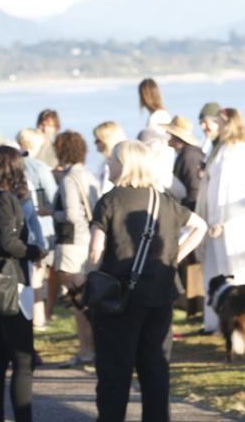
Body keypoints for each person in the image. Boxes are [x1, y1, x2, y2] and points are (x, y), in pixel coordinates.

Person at [72, 140, 207, 422]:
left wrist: (90, 275)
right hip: (160, 295)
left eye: (112, 160)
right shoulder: (165, 200)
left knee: (114, 372)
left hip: (118, 298)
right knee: (155, 369)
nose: (108, 164)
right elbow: (200, 226)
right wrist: (175, 257)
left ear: (124, 165)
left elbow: (96, 250)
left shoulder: (110, 201)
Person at [0, 146, 45, 422]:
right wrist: (33, 251)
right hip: (10, 283)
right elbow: (8, 242)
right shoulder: (6, 199)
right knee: (22, 361)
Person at [198, 107, 245, 333]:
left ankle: (243, 321)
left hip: (233, 219)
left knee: (236, 270)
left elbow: (231, 189)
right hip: (219, 217)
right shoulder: (222, 148)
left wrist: (221, 219)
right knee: (218, 271)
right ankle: (220, 321)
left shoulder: (238, 149)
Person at [52, 129, 100, 367]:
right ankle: (91, 347)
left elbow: (71, 214)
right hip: (89, 241)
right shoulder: (89, 176)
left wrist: (51, 212)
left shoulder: (70, 179)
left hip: (72, 242)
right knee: (87, 298)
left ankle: (86, 349)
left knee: (78, 301)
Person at [18, 128, 58, 330]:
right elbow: (54, 196)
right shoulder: (39, 167)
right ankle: (38, 317)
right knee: (38, 273)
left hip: (18, 227)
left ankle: (27, 315)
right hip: (39, 224)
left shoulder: (14, 166)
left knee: (26, 273)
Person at [164, 116, 204, 211]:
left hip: (190, 211)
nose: (168, 138)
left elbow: (194, 190)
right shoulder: (187, 154)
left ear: (177, 139)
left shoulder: (189, 156)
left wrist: (183, 213)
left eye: (170, 135)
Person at [92, 121, 128, 195]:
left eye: (98, 140)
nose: (94, 143)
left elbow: (105, 190)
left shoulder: (118, 164)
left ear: (107, 141)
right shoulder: (104, 163)